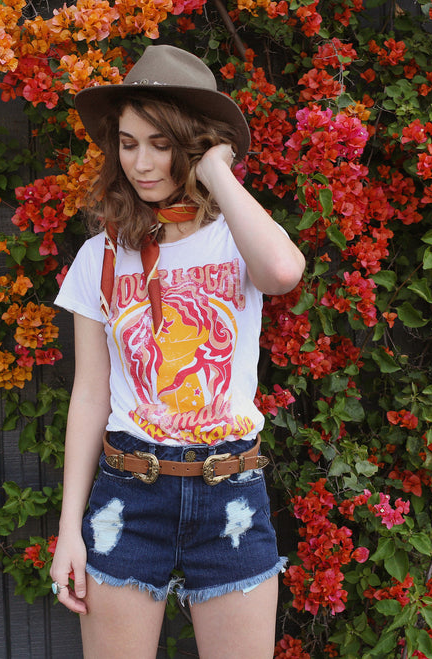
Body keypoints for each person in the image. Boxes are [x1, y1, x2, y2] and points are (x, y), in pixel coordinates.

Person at [50, 44, 305, 659]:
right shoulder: (102, 256)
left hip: (229, 489)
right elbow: (89, 394)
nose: (141, 162)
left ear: (191, 145)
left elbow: (281, 270)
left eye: (162, 143)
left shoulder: (235, 238)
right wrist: (67, 531)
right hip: (129, 493)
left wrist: (218, 169)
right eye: (129, 142)